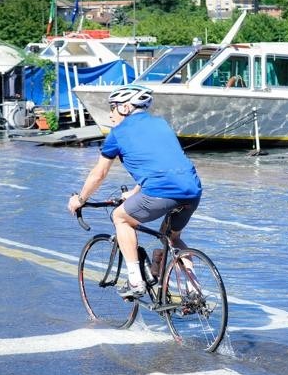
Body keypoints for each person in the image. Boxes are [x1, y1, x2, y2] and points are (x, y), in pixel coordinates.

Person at [67, 84, 202, 298]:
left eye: (113, 107)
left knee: (120, 217)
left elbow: (99, 174)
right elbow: (160, 162)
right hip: (192, 189)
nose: (110, 113)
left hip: (160, 191)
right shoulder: (161, 124)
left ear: (126, 108)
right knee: (172, 238)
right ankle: (195, 289)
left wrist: (80, 199)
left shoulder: (118, 134)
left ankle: (135, 281)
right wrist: (135, 192)